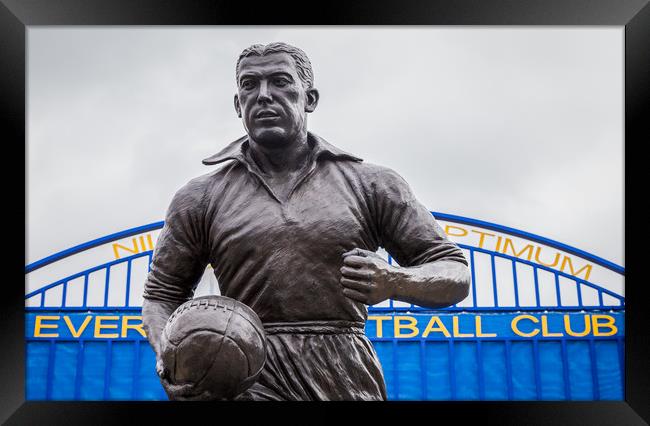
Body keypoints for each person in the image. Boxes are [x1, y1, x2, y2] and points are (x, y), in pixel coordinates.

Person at [142, 42, 471, 401]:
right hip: (247, 376)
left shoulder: (372, 184)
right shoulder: (199, 196)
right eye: (249, 85)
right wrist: (171, 358)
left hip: (344, 373)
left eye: (280, 81)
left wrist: (397, 280)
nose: (264, 95)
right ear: (238, 105)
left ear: (309, 98)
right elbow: (161, 295)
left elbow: (454, 271)